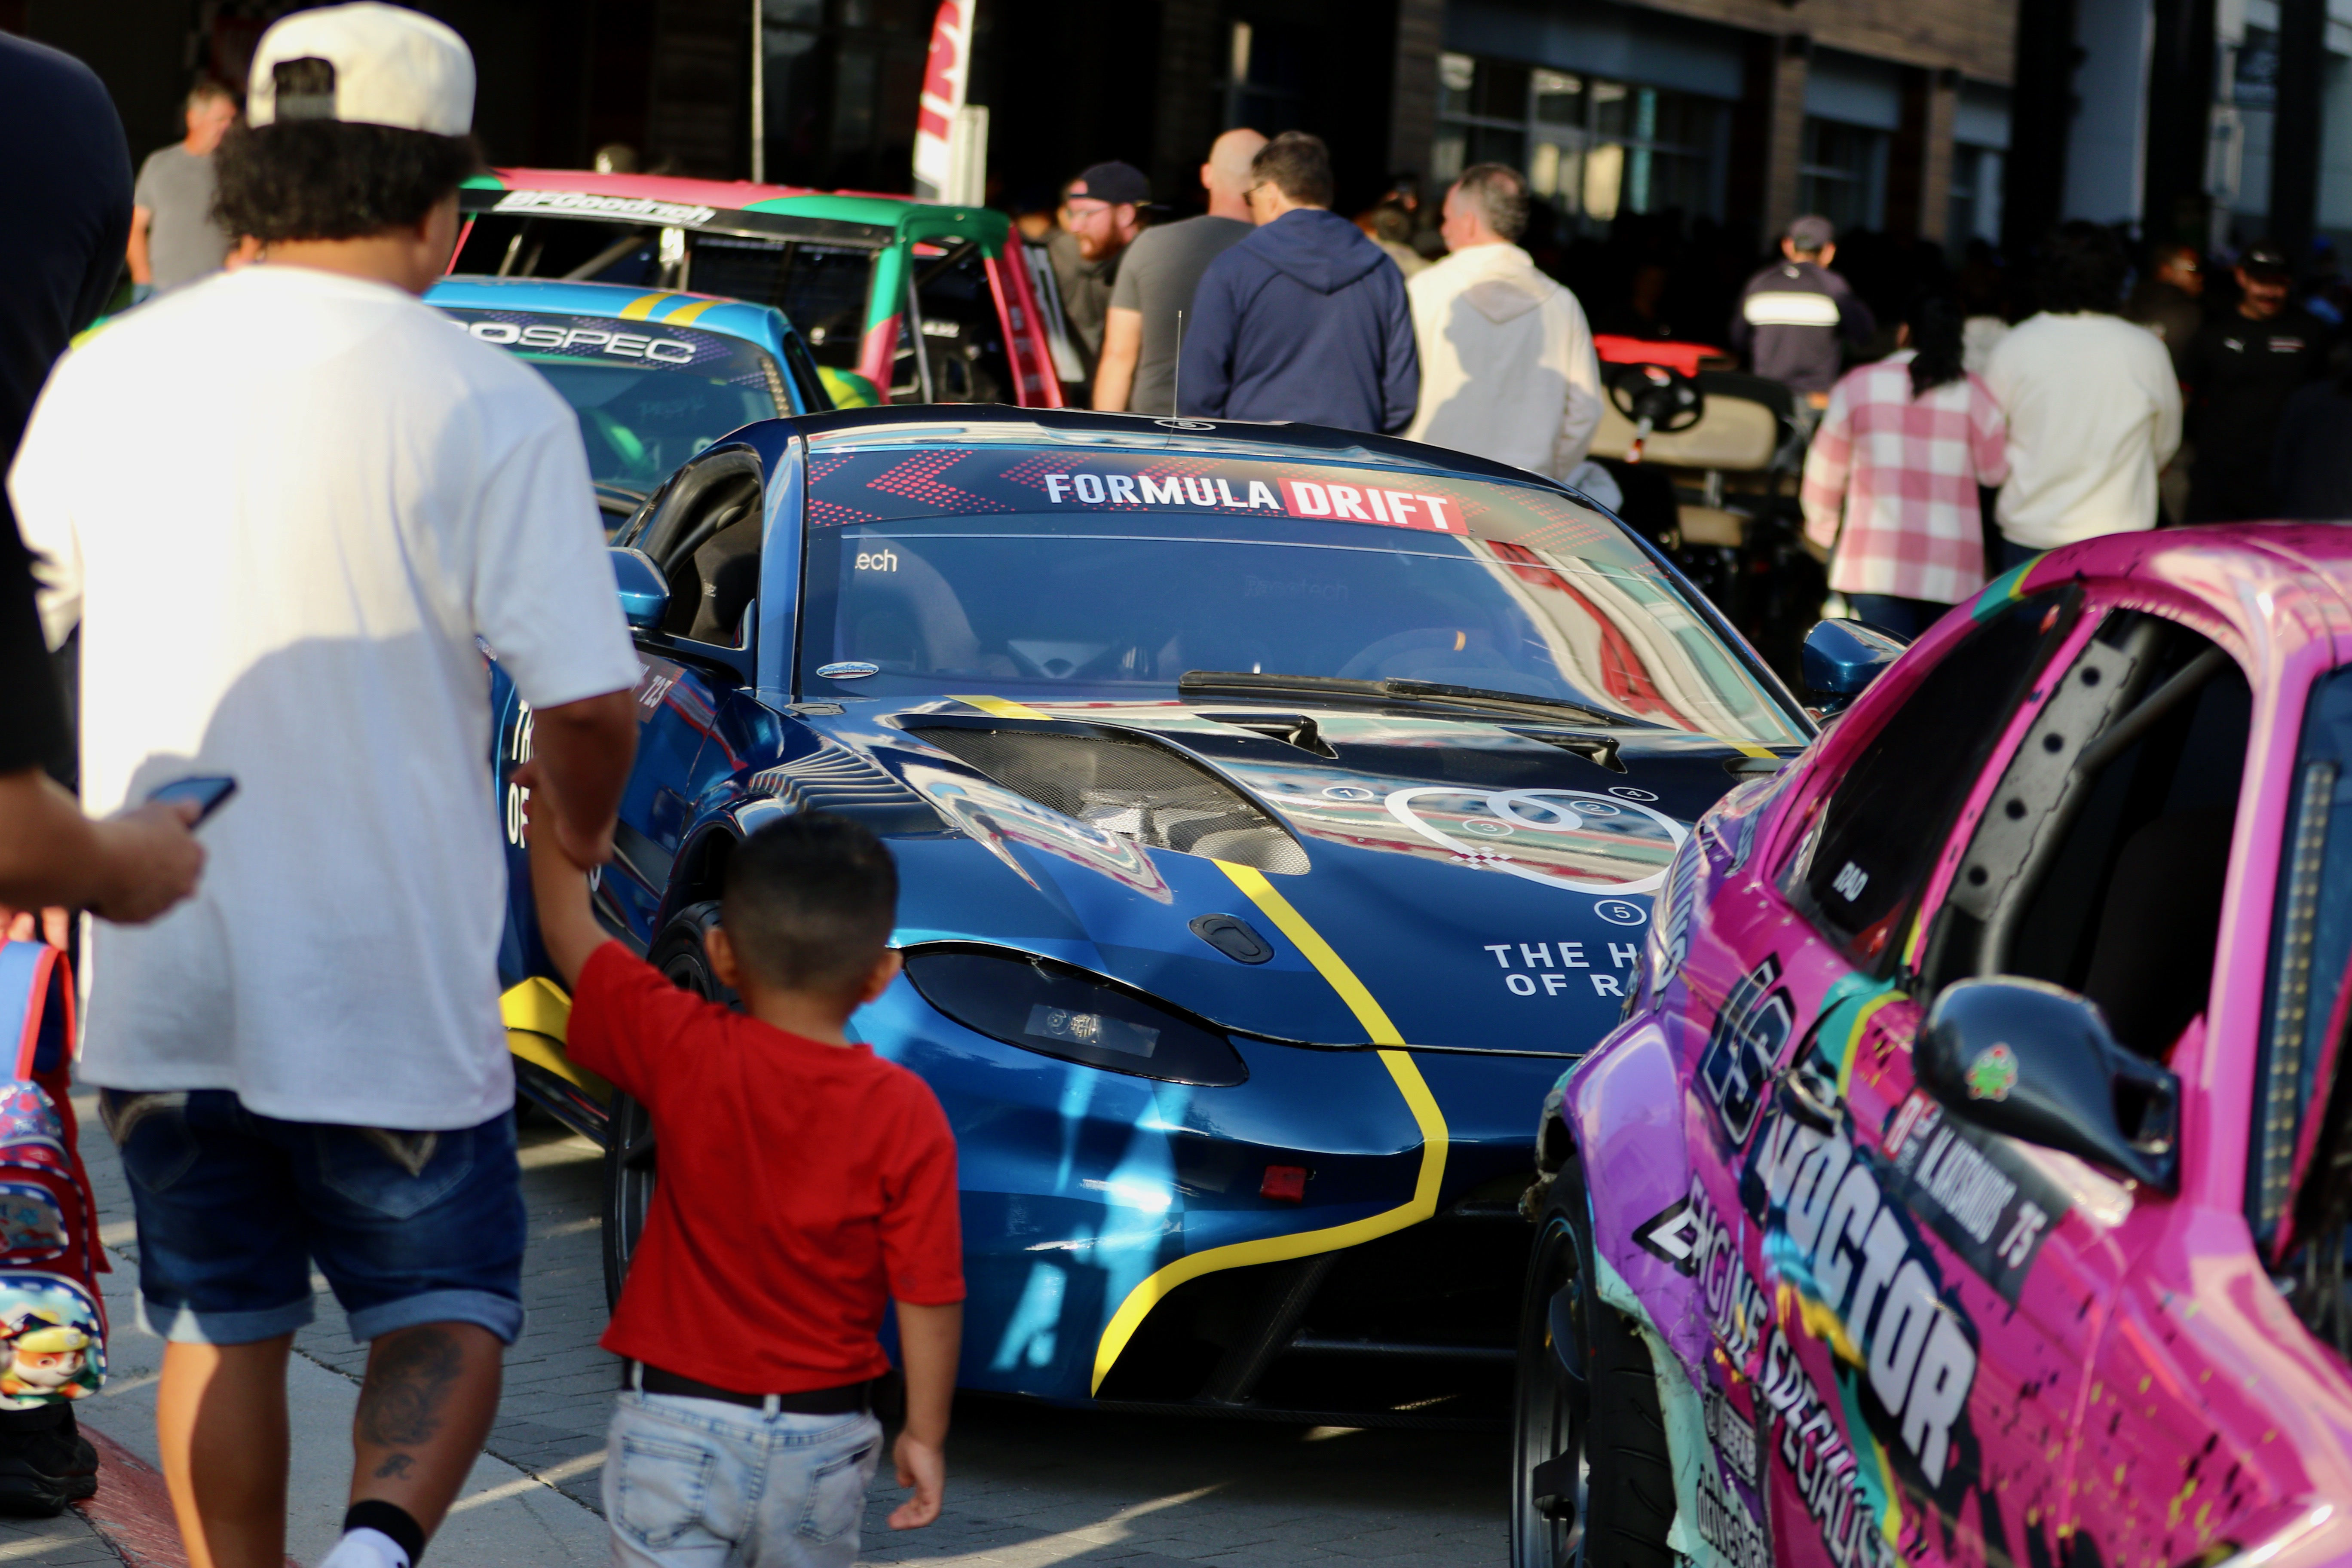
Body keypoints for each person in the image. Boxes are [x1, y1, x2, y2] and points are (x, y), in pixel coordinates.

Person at [9, 9, 645, 1568]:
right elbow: (586, 700)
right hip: (394, 983)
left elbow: (21, 614)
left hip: (166, 964)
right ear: (443, 204)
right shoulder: (489, 402)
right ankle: (370, 1552)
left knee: (222, 1314)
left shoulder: (109, 378)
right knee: (447, 1296)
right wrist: (577, 828)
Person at [527, 809, 964, 1568]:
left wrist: (554, 827)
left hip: (675, 1417)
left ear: (722, 954)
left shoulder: (684, 1047)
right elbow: (929, 1291)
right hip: (823, 1437)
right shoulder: (906, 1111)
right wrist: (924, 1433)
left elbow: (571, 932)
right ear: (881, 974)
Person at [0, 30, 203, 1519]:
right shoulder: (58, 104)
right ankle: (15, 1418)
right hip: (33, 729)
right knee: (12, 1104)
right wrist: (106, 855)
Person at [1178, 131, 1418, 433]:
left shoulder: (1234, 267)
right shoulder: (1383, 271)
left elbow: (1197, 391)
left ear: (1270, 193)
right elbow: (1402, 397)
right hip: (1353, 465)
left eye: (1250, 198)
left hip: (1254, 460)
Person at [1800, 293, 2009, 639]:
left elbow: (1824, 472)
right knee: (1931, 684)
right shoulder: (1974, 393)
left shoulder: (1858, 385)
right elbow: (1994, 472)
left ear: (1904, 332)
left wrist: (1823, 529)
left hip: (1874, 567)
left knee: (1884, 677)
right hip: (1950, 571)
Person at [1982, 221, 2180, 570]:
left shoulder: (2013, 346)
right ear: (2118, 277)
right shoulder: (2146, 349)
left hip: (2029, 533)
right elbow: (2165, 444)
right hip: (2120, 537)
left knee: (2028, 627)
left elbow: (1990, 444)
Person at [1403, 163, 1602, 483]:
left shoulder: (1422, 291)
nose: (1443, 230)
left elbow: (1392, 395)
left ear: (1468, 223)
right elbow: (1585, 412)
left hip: (1426, 483)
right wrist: (1549, 475)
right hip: (1522, 493)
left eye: (1446, 218)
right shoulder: (1561, 303)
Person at [1094, 129, 1265, 414]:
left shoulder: (1151, 244)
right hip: (1244, 433)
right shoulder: (1280, 255)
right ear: (1266, 182)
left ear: (1207, 175)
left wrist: (1102, 441)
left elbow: (1118, 357)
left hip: (1156, 427)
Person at [2180, 242, 2331, 522]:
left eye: (2280, 283)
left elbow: (2326, 402)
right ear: (2242, 278)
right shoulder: (2213, 329)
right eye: (2262, 282)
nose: (2270, 293)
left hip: (2283, 477)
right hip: (2217, 475)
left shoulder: (2312, 332)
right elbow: (2185, 396)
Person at [1729, 214, 1875, 408]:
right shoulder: (1833, 287)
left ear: (1788, 246)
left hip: (1767, 398)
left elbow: (1737, 339)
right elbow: (1864, 335)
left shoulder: (1759, 284)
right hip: (1815, 400)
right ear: (1829, 251)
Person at [127, 79, 239, 300]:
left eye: (232, 120)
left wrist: (244, 256)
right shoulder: (159, 164)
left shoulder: (237, 169)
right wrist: (142, 277)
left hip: (217, 293)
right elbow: (135, 226)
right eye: (220, 120)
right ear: (193, 119)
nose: (228, 127)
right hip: (161, 293)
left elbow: (257, 225)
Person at [1050, 161, 1147, 371]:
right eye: (1071, 214)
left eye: (1086, 213)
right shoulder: (1060, 254)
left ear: (1125, 215)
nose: (1075, 227)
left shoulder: (1159, 271)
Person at [2272, 368, 2352, 520]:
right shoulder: (2310, 399)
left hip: (2305, 514)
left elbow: (2280, 466)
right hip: (2308, 514)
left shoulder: (2308, 397)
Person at [2125, 243, 2206, 371]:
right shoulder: (2190, 313)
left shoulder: (2125, 303)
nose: (2200, 277)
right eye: (2193, 269)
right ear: (2166, 270)